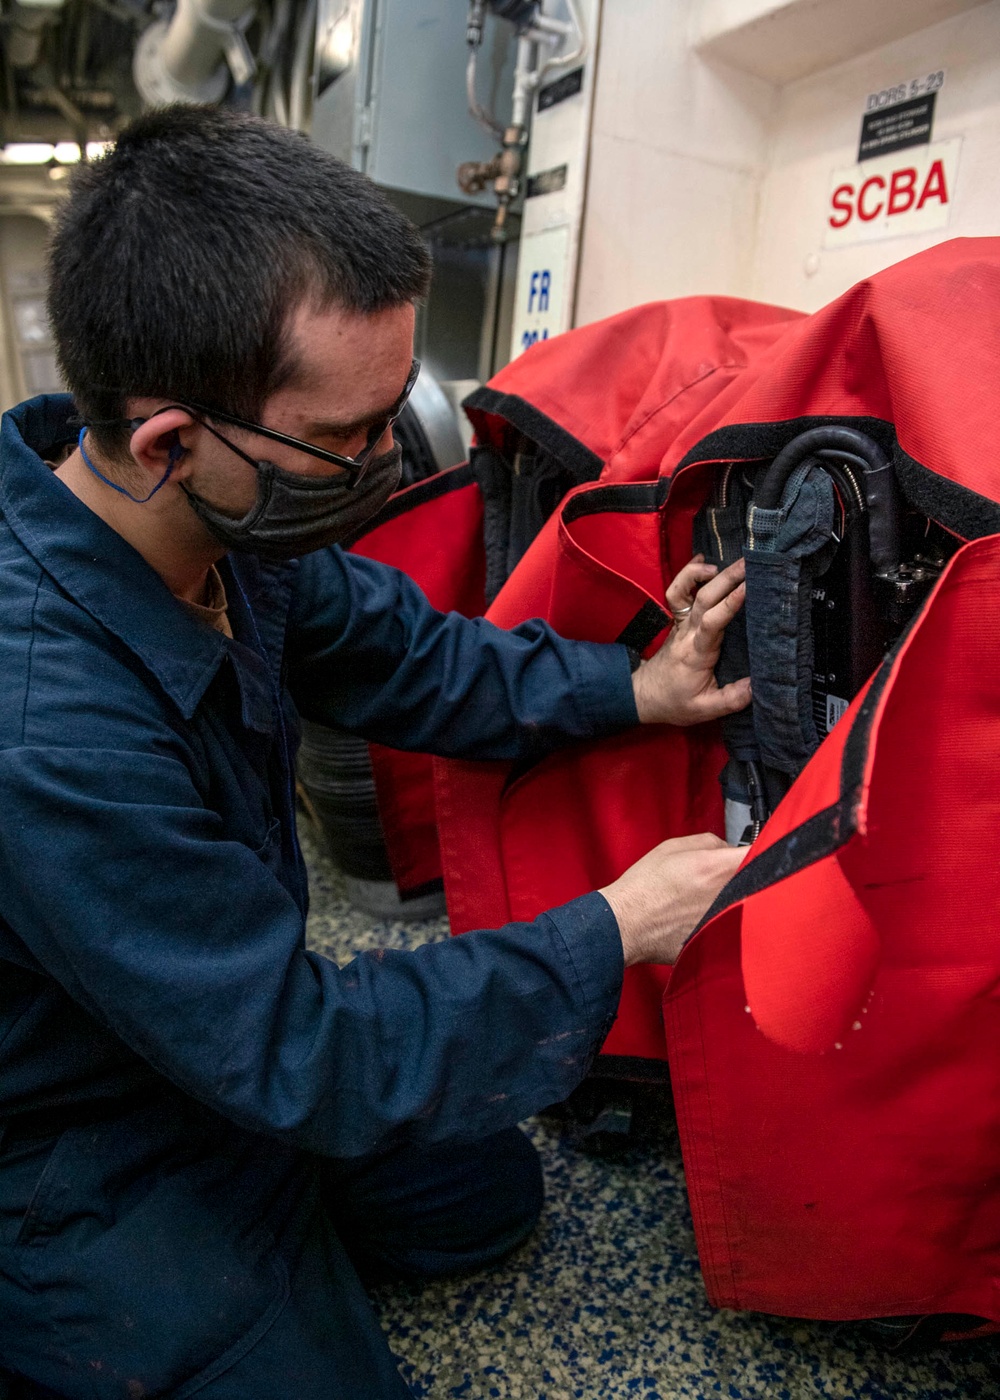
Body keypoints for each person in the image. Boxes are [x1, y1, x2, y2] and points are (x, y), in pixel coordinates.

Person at [0, 107, 749, 1399]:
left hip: (215, 1028)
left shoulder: (218, 527)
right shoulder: (41, 722)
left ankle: (262, 1237)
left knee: (480, 1201)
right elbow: (296, 1047)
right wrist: (613, 927)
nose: (391, 458)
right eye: (349, 438)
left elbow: (411, 657)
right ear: (174, 441)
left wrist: (637, 686)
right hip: (72, 1132)